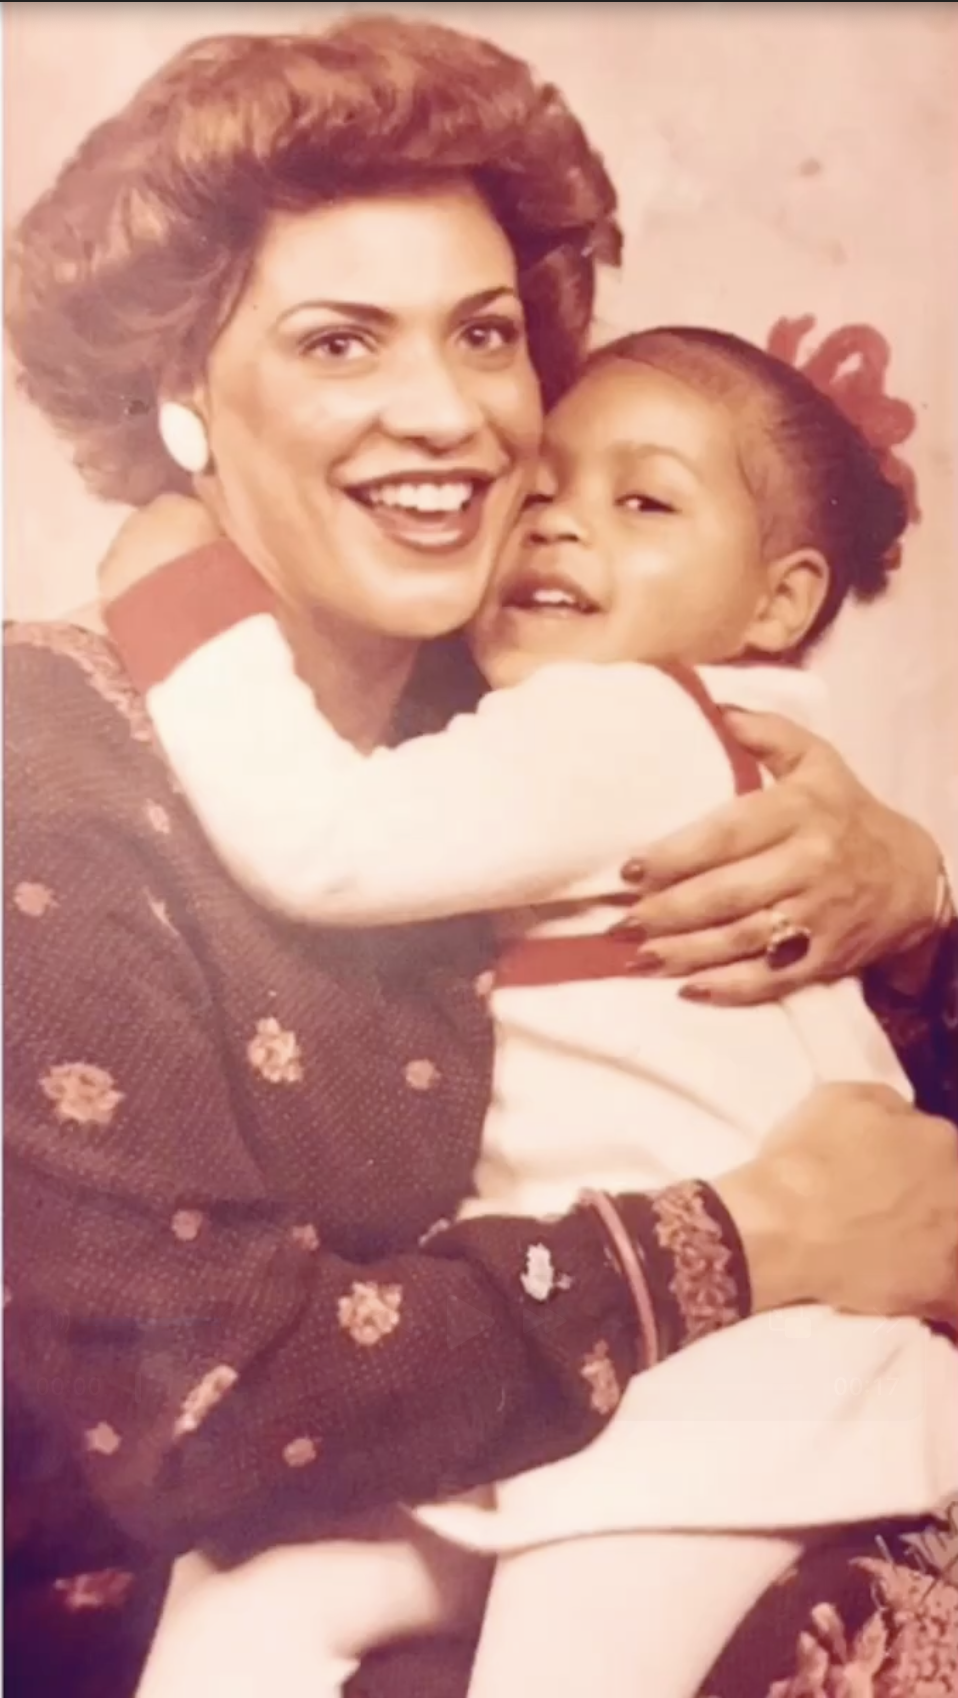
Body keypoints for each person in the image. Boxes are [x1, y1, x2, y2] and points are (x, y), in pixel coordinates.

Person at [3, 16, 957, 1698]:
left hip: (674, 1468)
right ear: (181, 400)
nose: (446, 414)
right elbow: (201, 1420)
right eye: (339, 342)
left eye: (487, 333)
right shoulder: (45, 767)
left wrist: (909, 890)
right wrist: (753, 1234)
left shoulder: (534, 692)